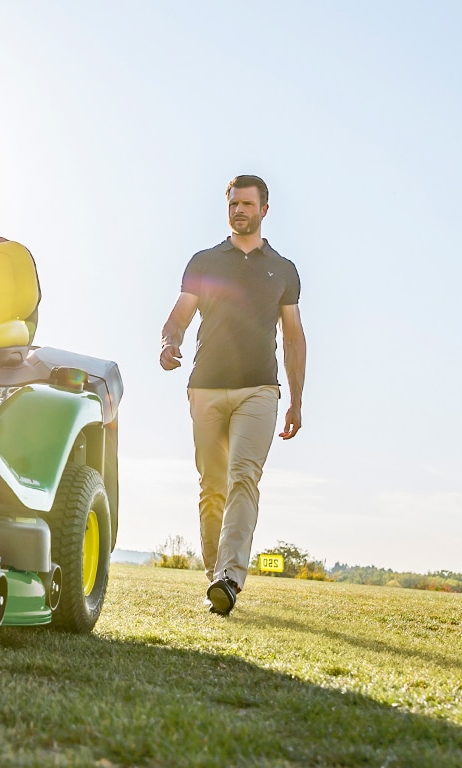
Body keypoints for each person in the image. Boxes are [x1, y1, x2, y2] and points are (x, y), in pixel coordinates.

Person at [158, 174, 306, 616]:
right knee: (212, 486)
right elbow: (179, 315)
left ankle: (229, 577)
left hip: (260, 388)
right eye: (233, 204)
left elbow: (294, 337)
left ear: (264, 209)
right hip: (205, 385)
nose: (239, 210)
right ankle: (214, 575)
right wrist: (169, 342)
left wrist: (296, 400)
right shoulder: (205, 261)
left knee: (244, 477)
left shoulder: (283, 270)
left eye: (247, 204)